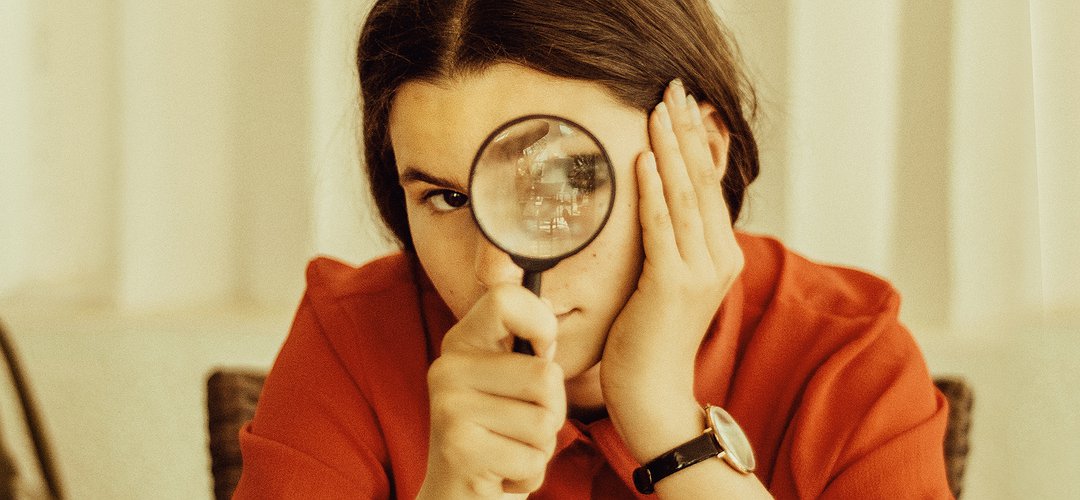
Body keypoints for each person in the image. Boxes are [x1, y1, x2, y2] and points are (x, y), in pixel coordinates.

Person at [234, 0, 953, 498]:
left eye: (562, 181)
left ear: (699, 155)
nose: (497, 270)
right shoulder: (354, 337)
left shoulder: (844, 356)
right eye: (447, 199)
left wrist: (667, 421)